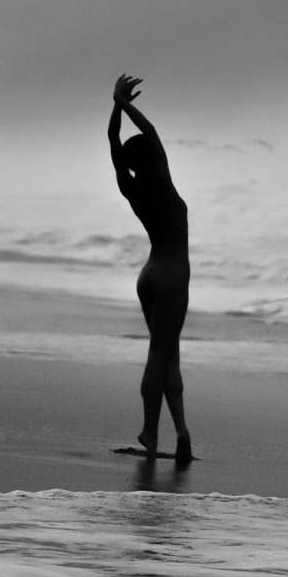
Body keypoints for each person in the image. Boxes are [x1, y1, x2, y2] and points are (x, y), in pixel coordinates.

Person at [108, 74, 192, 462]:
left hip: (149, 275)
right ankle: (150, 433)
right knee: (160, 356)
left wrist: (116, 106)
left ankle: (182, 434)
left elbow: (113, 141)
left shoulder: (132, 188)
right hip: (172, 276)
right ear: (154, 158)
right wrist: (124, 103)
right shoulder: (161, 181)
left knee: (168, 354)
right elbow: (151, 131)